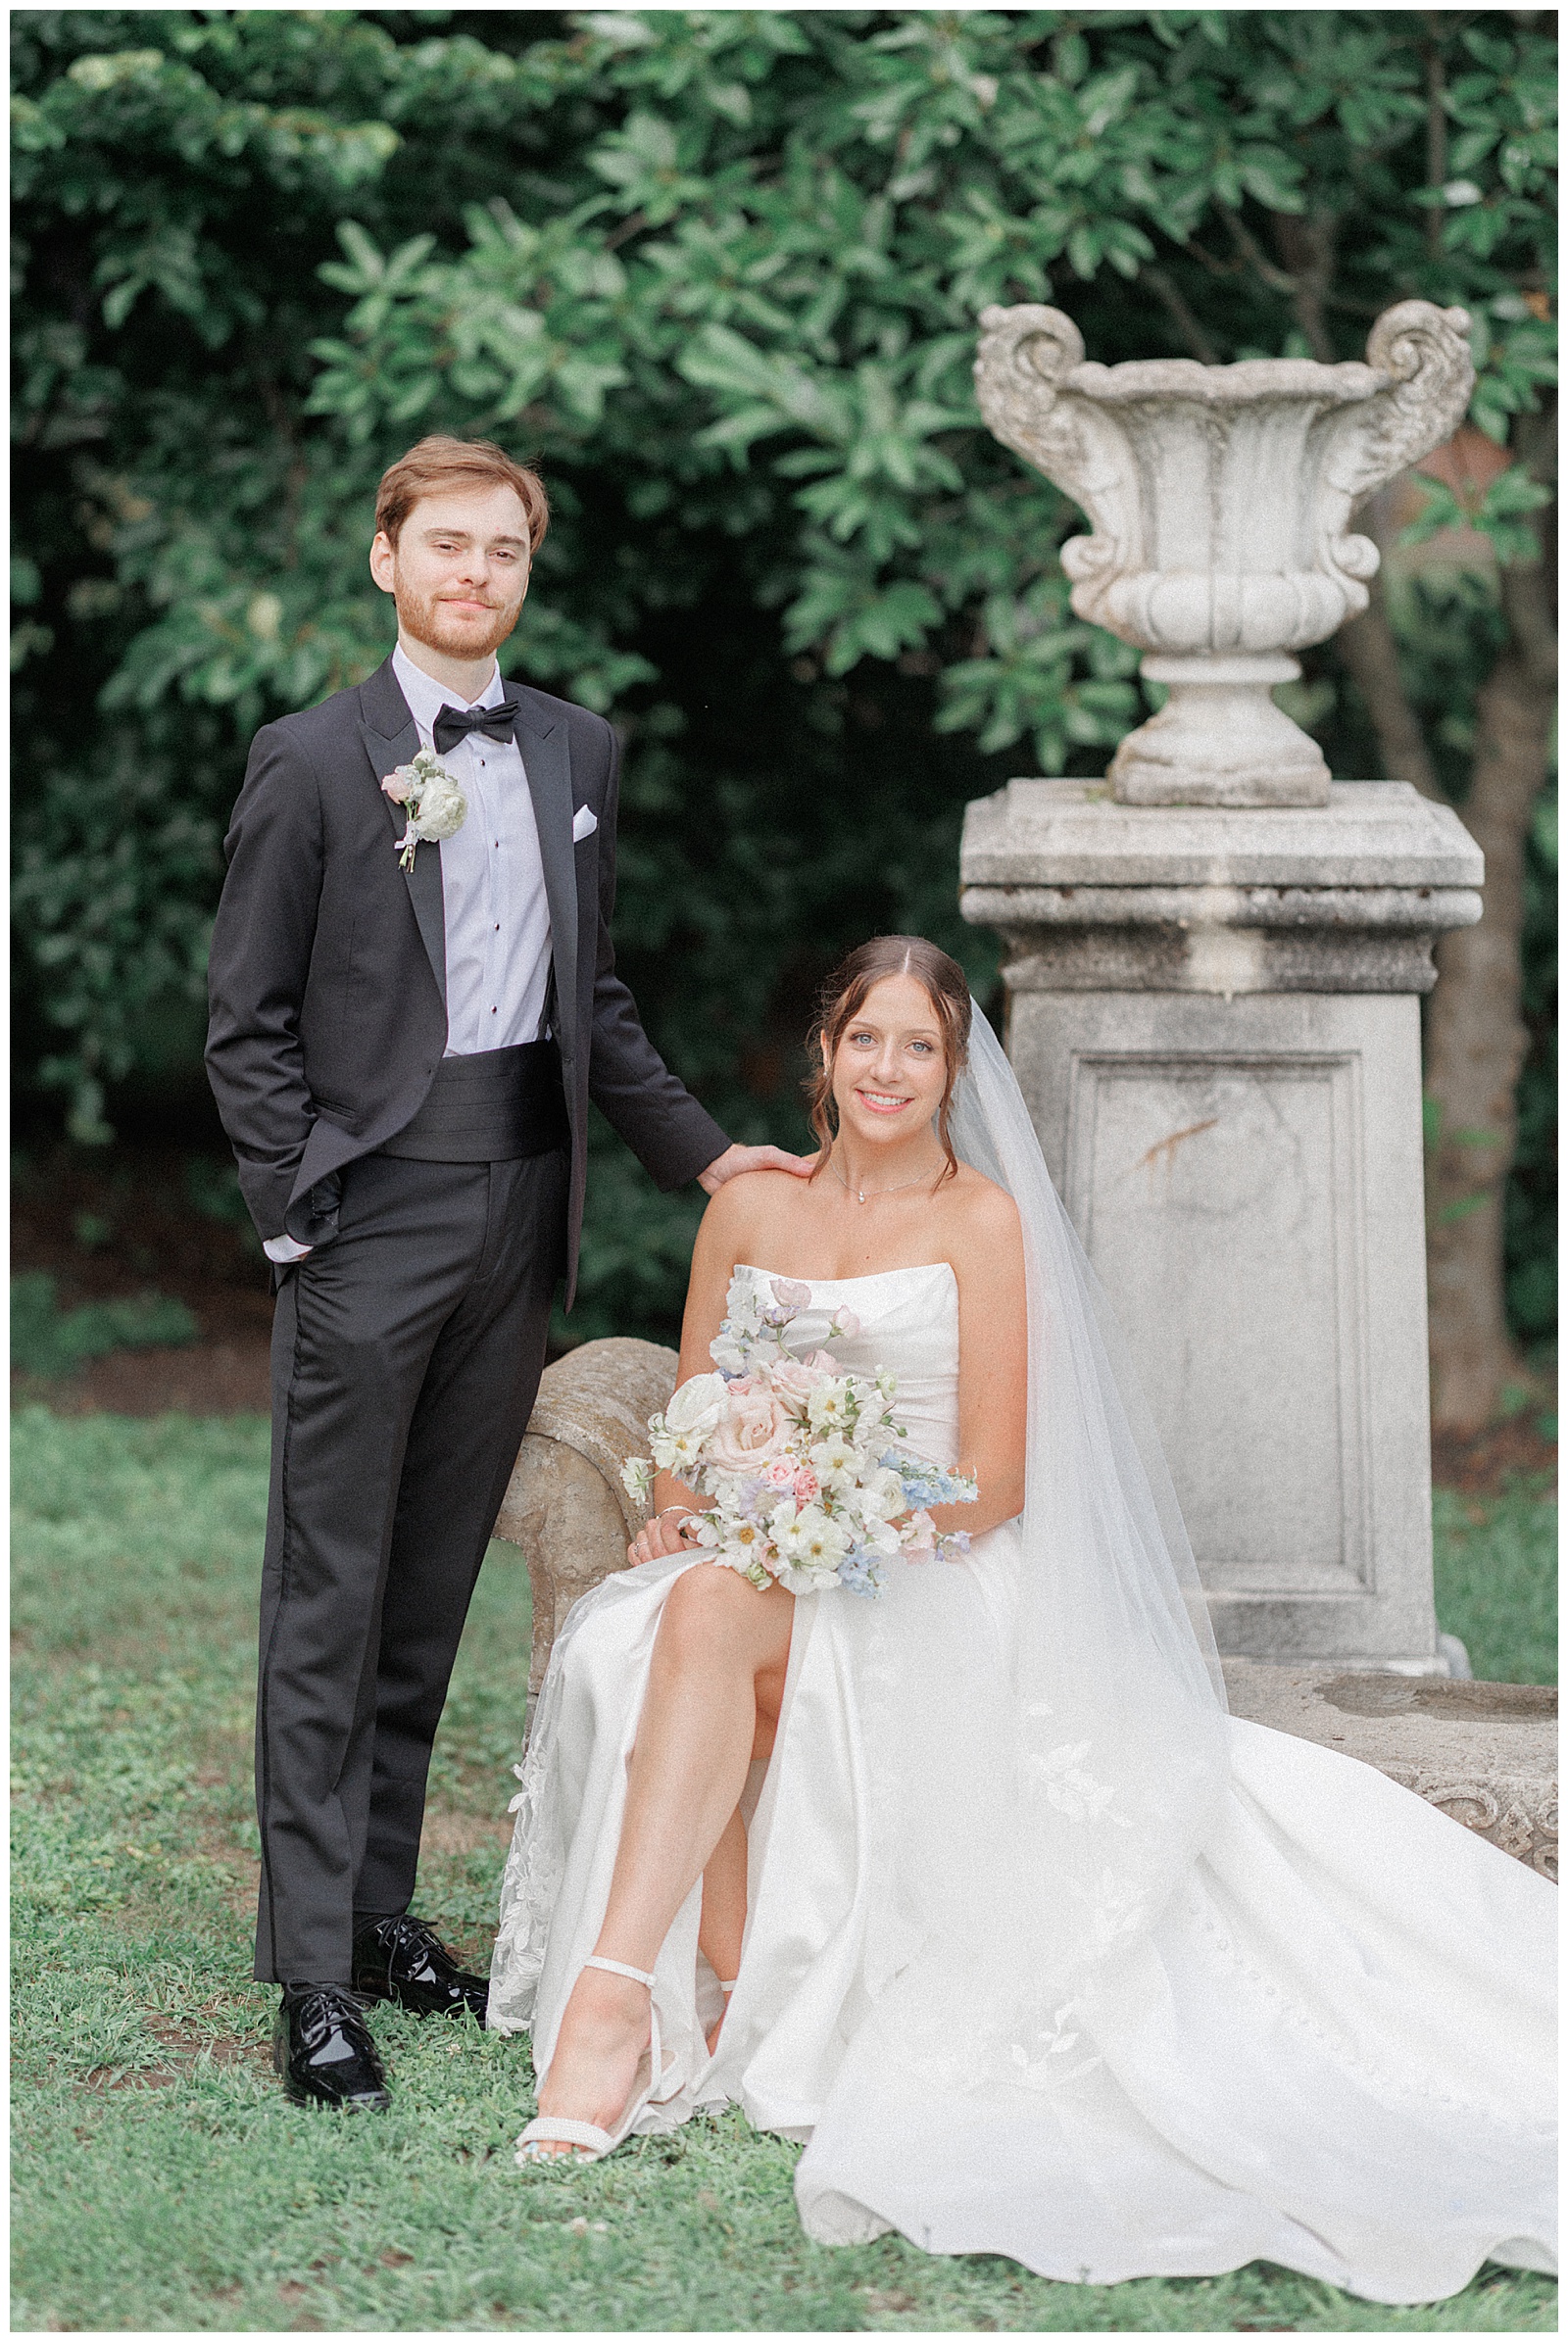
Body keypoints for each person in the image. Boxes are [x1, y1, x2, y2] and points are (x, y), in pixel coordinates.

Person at [489, 934, 1555, 2307]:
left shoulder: (980, 1219)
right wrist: (694, 1504)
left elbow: (996, 1476)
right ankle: (643, 1989)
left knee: (709, 1624)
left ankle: (636, 1996)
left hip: (920, 1558)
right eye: (864, 1039)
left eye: (918, 1046)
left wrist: (845, 1510)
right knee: (690, 1604)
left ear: (950, 1069)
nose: (888, 1068)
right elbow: (699, 1414)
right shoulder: (748, 1208)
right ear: (824, 1053)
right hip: (755, 1552)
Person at [205, 434, 809, 2112]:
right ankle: (312, 1972)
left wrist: (706, 1154)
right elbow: (245, 1021)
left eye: (506, 552)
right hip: (366, 1209)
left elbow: (590, 1002)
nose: (477, 575)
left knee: (432, 1581)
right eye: (447, 546)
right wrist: (295, 1211)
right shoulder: (313, 760)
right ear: (388, 560)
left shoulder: (571, 748)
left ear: (525, 573)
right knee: (330, 1581)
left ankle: (383, 1907)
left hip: (517, 1202)